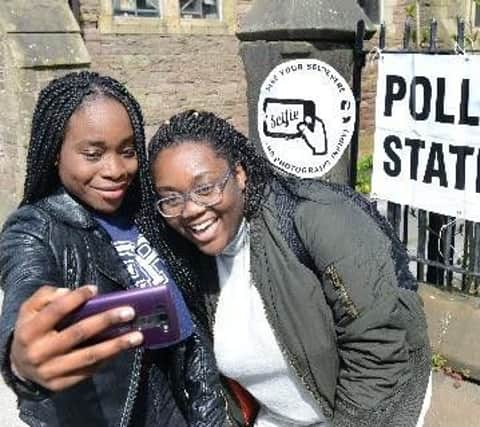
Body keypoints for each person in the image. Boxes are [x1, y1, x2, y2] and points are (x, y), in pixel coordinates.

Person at [148, 110, 433, 426]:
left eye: (205, 188)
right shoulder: (189, 260)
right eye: (170, 199)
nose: (190, 210)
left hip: (374, 413)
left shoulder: (317, 219)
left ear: (240, 174)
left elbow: (379, 351)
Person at [0, 73, 228, 426]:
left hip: (183, 406)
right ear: (55, 154)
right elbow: (26, 285)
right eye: (93, 154)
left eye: (127, 151)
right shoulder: (35, 228)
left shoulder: (148, 213)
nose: (116, 170)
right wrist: (20, 359)